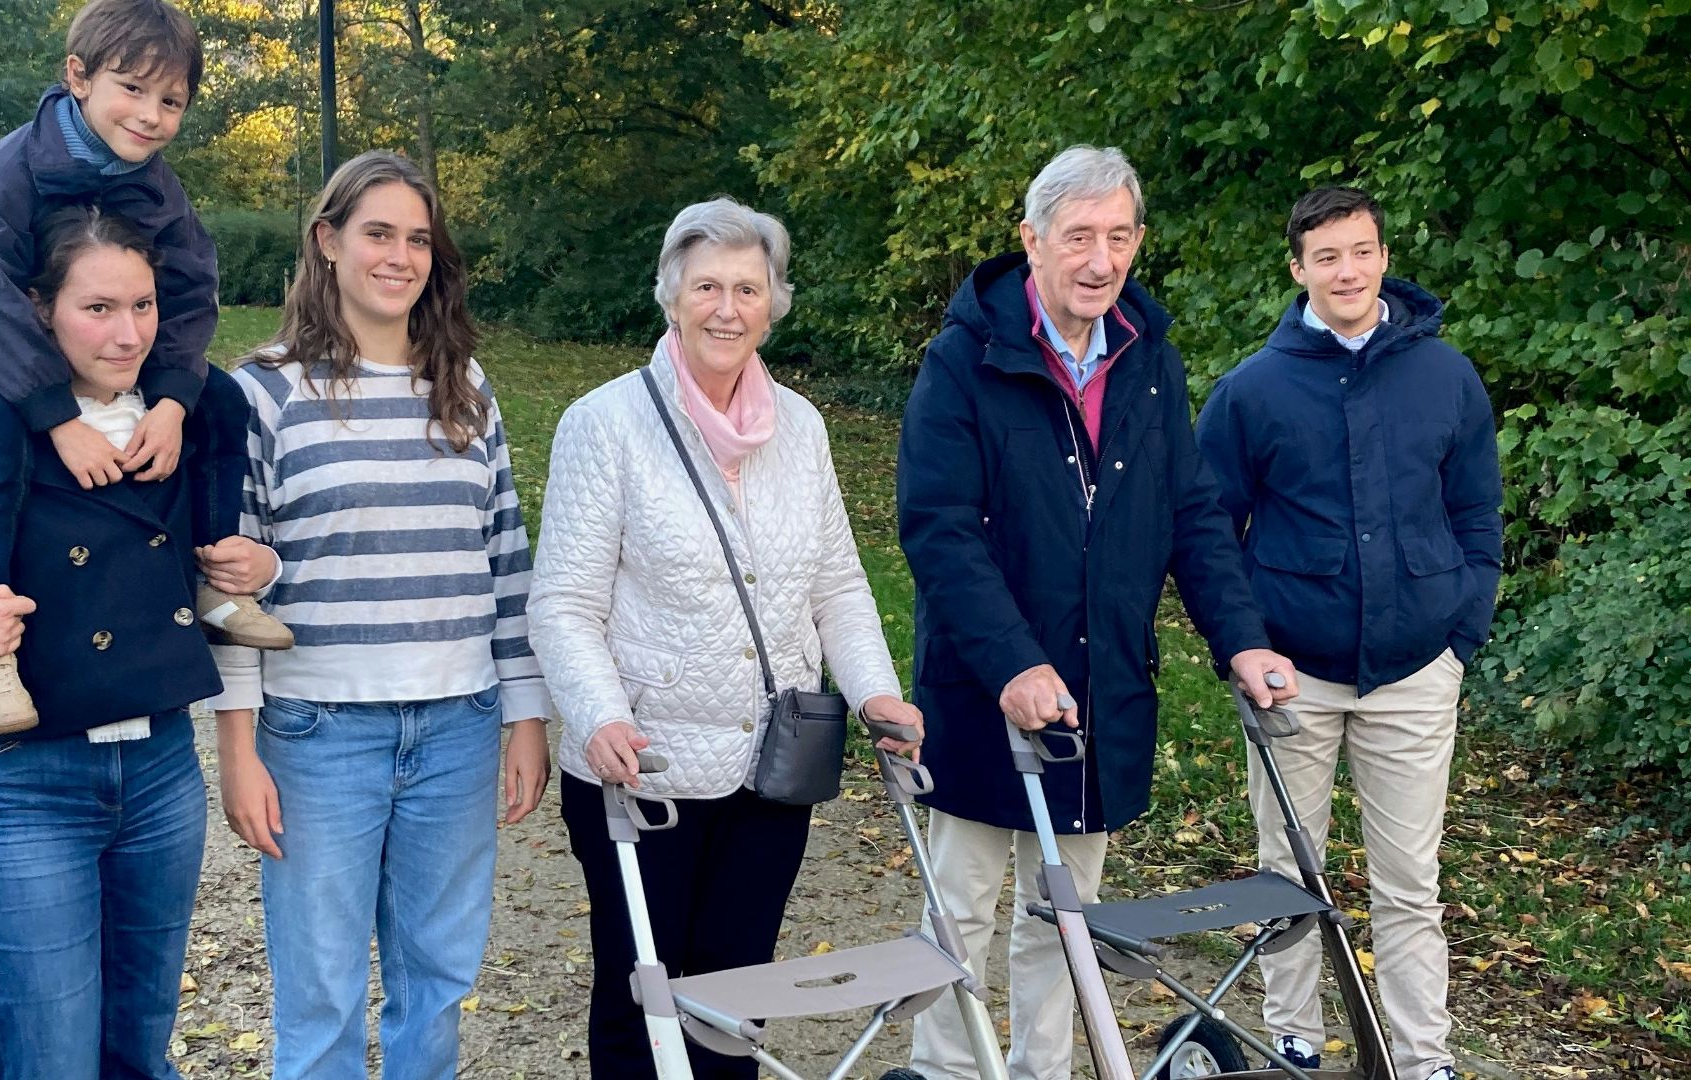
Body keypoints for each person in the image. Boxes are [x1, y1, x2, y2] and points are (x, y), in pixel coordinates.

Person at [895, 145, 1301, 1080]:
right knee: (961, 905)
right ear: (1032, 240)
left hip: (1101, 684)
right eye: (1079, 236)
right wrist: (1012, 660)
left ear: (1138, 242)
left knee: (1066, 916)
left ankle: (1040, 1070)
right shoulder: (963, 360)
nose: (1100, 258)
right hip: (982, 686)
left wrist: (1241, 639)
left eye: (1118, 236)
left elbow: (1192, 513)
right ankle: (946, 1070)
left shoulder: (1150, 358)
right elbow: (939, 529)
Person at [529, 197, 924, 1080]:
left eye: (748, 288)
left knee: (738, 998)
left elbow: (837, 584)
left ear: (772, 304)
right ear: (671, 294)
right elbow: (562, 604)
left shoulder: (802, 426)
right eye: (707, 286)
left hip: (773, 767)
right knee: (643, 998)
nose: (727, 308)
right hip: (645, 767)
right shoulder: (605, 423)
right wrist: (598, 716)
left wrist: (876, 692)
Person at [0, 207, 269, 1079]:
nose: (128, 335)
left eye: (143, 305)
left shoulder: (180, 423)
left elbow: (220, 548)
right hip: (22, 784)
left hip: (161, 773)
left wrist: (255, 563)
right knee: (50, 1058)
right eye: (97, 309)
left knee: (138, 1049)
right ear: (35, 309)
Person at [208, 150, 552, 1080]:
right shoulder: (262, 392)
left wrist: (526, 713)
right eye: (378, 234)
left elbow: (505, 560)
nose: (400, 257)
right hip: (319, 733)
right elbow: (229, 590)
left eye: (418, 240)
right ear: (327, 242)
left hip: (459, 727)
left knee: (437, 980)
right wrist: (237, 749)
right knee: (320, 990)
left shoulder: (466, 387)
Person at [0, 0, 289, 735]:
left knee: (222, 400)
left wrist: (173, 400)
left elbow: (189, 289)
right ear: (78, 77)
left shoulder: (157, 185)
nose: (151, 115)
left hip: (93, 314)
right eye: (133, 88)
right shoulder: (6, 173)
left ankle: (215, 579)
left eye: (172, 100)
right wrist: (57, 416)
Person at [1195, 186, 1502, 1080]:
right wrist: (1242, 645)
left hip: (1415, 670)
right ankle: (1293, 1035)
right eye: (1326, 256)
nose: (1347, 271)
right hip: (1292, 676)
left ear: (1384, 258)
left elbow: (1477, 511)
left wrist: (1461, 634)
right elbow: (1207, 533)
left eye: (1361, 251)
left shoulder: (1446, 376)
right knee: (1287, 873)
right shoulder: (1251, 390)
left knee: (1411, 882)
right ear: (1298, 269)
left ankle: (1421, 1057)